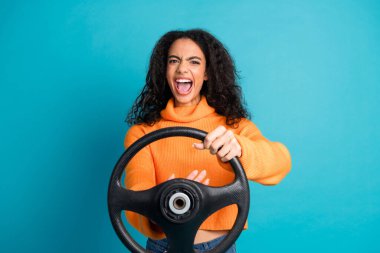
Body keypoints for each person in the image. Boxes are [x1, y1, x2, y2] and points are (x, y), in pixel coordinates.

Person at [124, 29, 291, 253]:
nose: (182, 68)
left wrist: (240, 149)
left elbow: (281, 162)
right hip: (162, 248)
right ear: (165, 71)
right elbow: (135, 201)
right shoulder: (142, 134)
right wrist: (165, 199)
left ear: (206, 73)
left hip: (219, 247)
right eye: (174, 61)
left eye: (194, 62)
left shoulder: (232, 127)